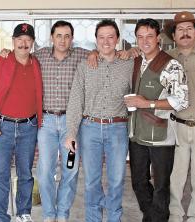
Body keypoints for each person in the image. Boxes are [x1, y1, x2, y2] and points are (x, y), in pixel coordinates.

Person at [64, 20, 133, 222]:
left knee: (117, 179)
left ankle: (113, 218)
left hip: (117, 128)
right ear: (96, 40)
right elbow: (76, 100)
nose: (106, 41)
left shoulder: (129, 64)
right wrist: (71, 132)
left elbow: (144, 54)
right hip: (90, 129)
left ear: (117, 39)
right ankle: (93, 218)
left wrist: (134, 49)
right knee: (92, 181)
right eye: (101, 37)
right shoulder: (85, 66)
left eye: (110, 36)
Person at [124, 18, 188, 222]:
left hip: (162, 136)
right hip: (137, 134)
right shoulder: (135, 62)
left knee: (161, 185)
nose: (145, 41)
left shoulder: (171, 65)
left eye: (149, 36)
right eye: (140, 37)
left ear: (158, 38)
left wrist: (148, 103)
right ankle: (152, 217)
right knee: (138, 182)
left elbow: (182, 101)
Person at [0, 23, 42, 222]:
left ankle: (24, 213)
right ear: (13, 41)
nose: (23, 44)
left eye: (28, 40)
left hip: (29, 126)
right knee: (0, 175)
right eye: (20, 39)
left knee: (25, 173)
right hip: (2, 126)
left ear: (32, 43)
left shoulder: (37, 63)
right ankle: (0, 215)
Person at [162, 11, 195, 222]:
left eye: (189, 29)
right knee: (174, 176)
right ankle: (175, 214)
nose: (184, 33)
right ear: (173, 36)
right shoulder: (167, 59)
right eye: (180, 30)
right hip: (175, 128)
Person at [34, 21, 90, 222]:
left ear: (72, 38)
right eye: (59, 35)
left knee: (71, 169)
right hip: (46, 122)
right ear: (51, 37)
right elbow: (18, 58)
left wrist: (130, 51)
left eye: (67, 36)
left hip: (72, 123)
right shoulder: (39, 56)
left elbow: (106, 53)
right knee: (45, 170)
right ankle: (49, 214)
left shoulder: (83, 55)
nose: (63, 40)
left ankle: (63, 214)